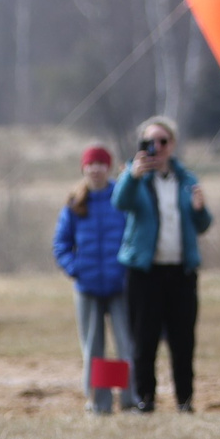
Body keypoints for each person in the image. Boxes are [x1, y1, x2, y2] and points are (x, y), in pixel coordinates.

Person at [111, 114, 211, 412]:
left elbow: (202, 224)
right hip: (145, 272)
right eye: (150, 142)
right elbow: (120, 203)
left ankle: (185, 399)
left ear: (173, 144)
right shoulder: (135, 177)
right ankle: (146, 398)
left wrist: (201, 209)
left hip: (181, 271)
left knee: (183, 340)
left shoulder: (186, 180)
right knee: (144, 338)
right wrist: (133, 175)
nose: (157, 147)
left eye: (163, 141)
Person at [51, 144, 131, 414]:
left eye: (101, 163)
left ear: (108, 168)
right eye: (90, 164)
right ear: (84, 169)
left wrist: (127, 270)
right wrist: (76, 269)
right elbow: (61, 244)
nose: (95, 169)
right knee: (94, 350)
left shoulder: (122, 198)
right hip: (87, 288)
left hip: (120, 286)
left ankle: (129, 401)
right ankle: (99, 403)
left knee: (124, 345)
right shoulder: (75, 203)